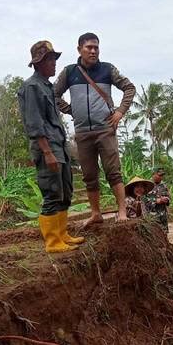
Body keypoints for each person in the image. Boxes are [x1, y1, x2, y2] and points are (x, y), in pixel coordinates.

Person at [54, 32, 136, 227]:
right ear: (79, 49)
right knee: (89, 175)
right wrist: (71, 110)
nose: (93, 51)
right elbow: (54, 94)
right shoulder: (69, 72)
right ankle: (96, 213)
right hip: (82, 132)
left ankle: (122, 211)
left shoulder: (107, 69)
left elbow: (129, 88)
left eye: (96, 47)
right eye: (89, 47)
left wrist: (120, 112)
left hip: (105, 129)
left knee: (113, 172)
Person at [18, 40, 84, 253]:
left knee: (65, 191)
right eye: (49, 59)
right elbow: (34, 123)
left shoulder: (47, 86)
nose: (54, 64)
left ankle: (62, 234)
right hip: (47, 148)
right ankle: (53, 242)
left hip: (59, 145)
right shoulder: (31, 87)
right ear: (38, 63)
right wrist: (47, 152)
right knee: (52, 192)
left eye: (54, 59)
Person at [146, 168, 171, 232]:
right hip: (152, 217)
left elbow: (169, 198)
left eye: (162, 175)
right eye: (159, 175)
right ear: (153, 174)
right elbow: (144, 200)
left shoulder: (164, 186)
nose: (161, 177)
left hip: (163, 217)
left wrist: (167, 200)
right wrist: (156, 201)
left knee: (164, 235)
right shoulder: (147, 185)